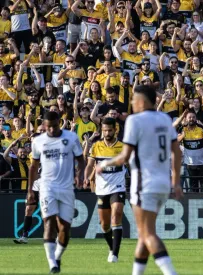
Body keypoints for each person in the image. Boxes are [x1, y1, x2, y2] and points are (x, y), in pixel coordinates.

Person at [95, 85, 183, 275]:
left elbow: (124, 156)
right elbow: (176, 151)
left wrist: (103, 165)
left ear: (142, 101)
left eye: (134, 99)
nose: (132, 103)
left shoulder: (135, 121)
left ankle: (170, 272)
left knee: (147, 234)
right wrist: (175, 181)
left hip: (144, 184)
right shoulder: (165, 119)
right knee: (144, 234)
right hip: (162, 183)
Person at [28, 111, 85, 274]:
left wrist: (80, 175)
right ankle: (52, 263)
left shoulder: (71, 138)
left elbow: (81, 159)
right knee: (49, 222)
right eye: (48, 127)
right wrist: (30, 191)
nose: (51, 130)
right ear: (44, 125)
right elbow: (33, 167)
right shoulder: (38, 141)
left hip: (67, 188)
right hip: (47, 187)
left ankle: (57, 256)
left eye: (54, 126)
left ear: (59, 123)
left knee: (65, 229)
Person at [84, 118, 126, 263]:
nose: (107, 133)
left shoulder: (122, 147)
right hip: (102, 189)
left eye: (109, 130)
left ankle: (115, 253)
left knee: (117, 215)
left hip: (118, 187)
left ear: (115, 130)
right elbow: (90, 165)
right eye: (104, 130)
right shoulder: (96, 146)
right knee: (105, 224)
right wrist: (86, 177)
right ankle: (111, 248)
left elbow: (132, 165)